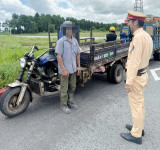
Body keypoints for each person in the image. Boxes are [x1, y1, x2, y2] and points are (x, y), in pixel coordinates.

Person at [120, 10, 153, 144]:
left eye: (129, 21)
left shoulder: (138, 38)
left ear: (135, 22)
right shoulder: (146, 36)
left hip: (136, 77)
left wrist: (129, 81)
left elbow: (134, 62)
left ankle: (136, 135)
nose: (127, 23)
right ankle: (139, 128)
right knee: (140, 104)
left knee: (136, 106)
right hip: (143, 74)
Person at [55, 21, 81, 114]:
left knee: (72, 87)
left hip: (73, 69)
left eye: (70, 28)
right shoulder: (61, 42)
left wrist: (78, 67)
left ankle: (70, 102)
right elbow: (59, 56)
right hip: (65, 71)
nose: (69, 30)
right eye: (67, 28)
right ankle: (63, 105)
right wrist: (63, 70)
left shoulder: (75, 41)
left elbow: (78, 54)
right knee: (64, 88)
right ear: (64, 30)